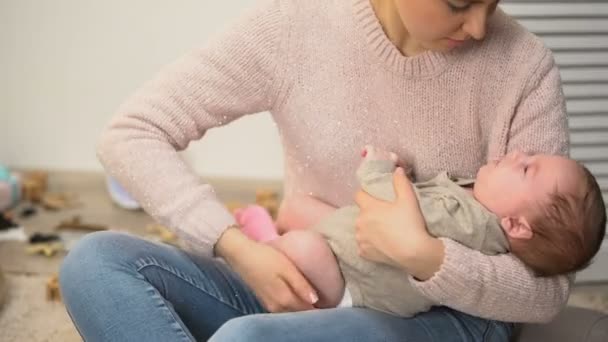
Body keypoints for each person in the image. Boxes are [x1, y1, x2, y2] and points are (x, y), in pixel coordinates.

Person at [59, 0, 575, 340]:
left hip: (445, 317)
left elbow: (547, 290)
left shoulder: (523, 67)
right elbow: (132, 133)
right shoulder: (295, 26)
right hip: (313, 279)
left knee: (246, 338)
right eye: (460, 2)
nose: (482, 25)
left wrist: (425, 255)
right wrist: (237, 248)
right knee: (95, 263)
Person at [235, 146, 606, 316]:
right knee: (300, 208)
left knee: (304, 248)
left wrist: (380, 170)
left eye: (526, 169)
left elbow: (391, 203)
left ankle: (269, 247)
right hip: (357, 248)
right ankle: (276, 235)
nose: (517, 154)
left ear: (514, 224)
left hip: (353, 281)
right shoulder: (475, 206)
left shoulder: (468, 222)